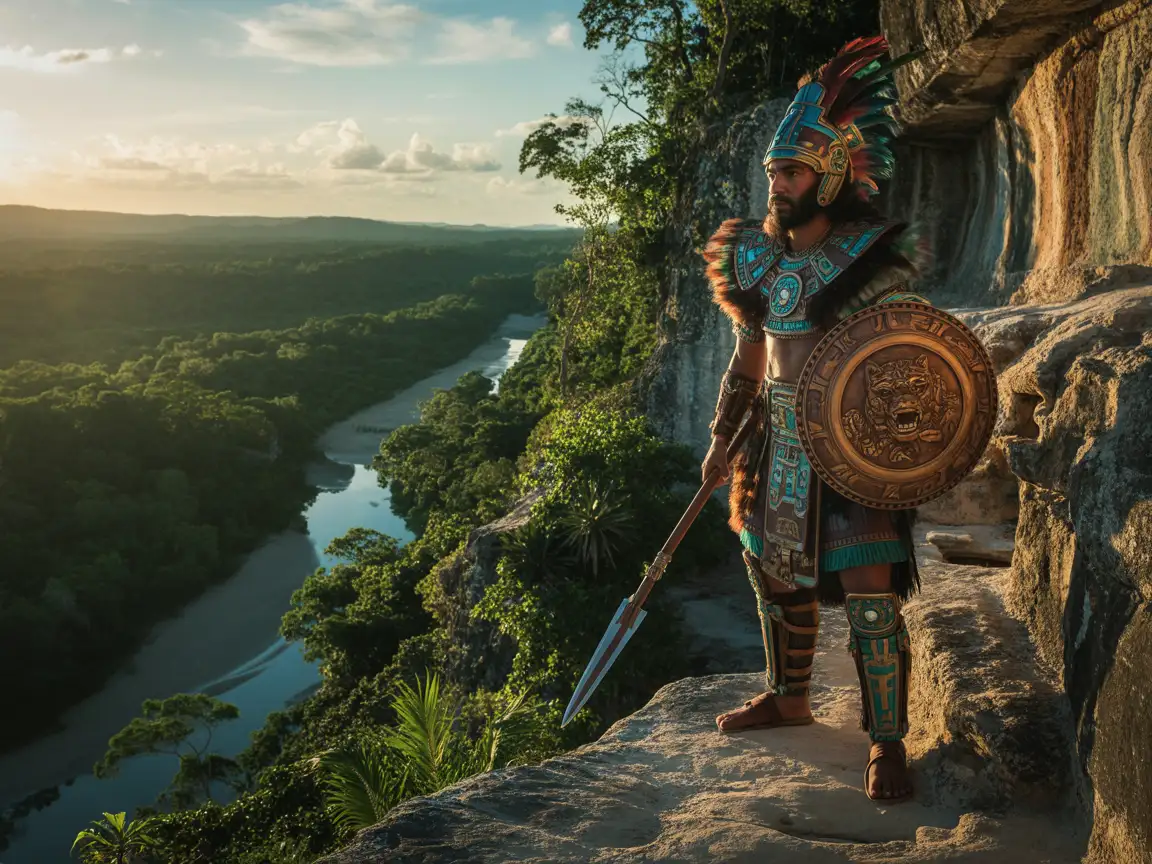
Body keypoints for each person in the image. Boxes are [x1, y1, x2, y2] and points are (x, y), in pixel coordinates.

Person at [700, 35, 934, 803]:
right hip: (774, 441)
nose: (777, 184)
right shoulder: (757, 261)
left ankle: (887, 742)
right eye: (773, 171)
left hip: (851, 445)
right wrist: (718, 443)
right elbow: (748, 355)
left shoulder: (868, 259)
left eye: (791, 171)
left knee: (869, 594)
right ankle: (789, 696)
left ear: (830, 174)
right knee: (775, 577)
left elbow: (905, 361)